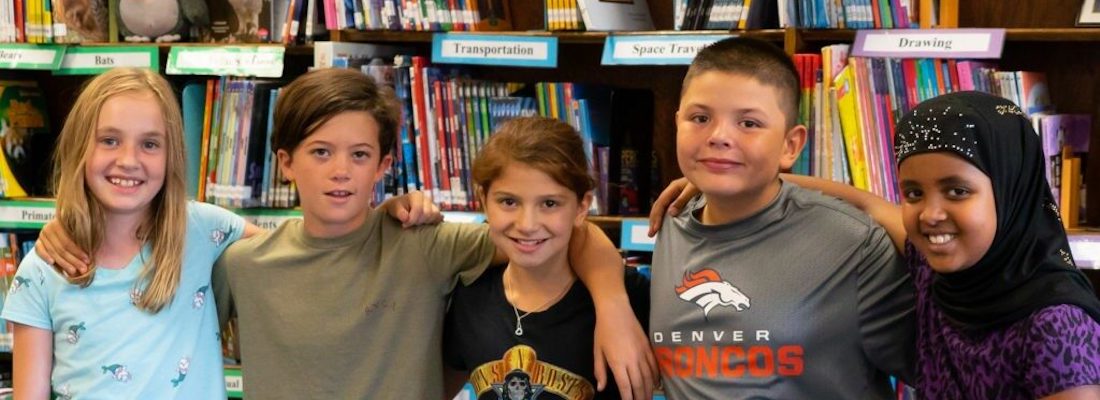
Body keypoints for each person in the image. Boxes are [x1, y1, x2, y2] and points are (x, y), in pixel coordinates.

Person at [193, 68, 649, 399]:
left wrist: (613, 308)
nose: (339, 172)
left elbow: (565, 234)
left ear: (384, 165)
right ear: (286, 163)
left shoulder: (425, 244)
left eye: (359, 154)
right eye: (320, 152)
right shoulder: (242, 266)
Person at [767, 91, 1100, 399]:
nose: (930, 214)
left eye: (957, 191)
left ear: (1010, 192)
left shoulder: (1056, 325)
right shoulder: (935, 269)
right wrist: (757, 181)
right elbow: (867, 204)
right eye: (913, 193)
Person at [643, 37, 915, 399]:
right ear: (677, 123)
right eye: (700, 118)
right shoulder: (670, 224)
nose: (719, 136)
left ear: (791, 145)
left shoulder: (854, 244)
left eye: (749, 123)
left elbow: (942, 368)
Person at [0, 67, 265, 398]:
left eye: (150, 144)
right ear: (78, 147)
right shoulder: (42, 271)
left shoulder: (201, 229)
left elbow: (290, 255)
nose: (129, 160)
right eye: (110, 140)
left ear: (173, 156)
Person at [442, 117, 650, 399]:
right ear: (483, 200)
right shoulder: (469, 298)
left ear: (582, 207)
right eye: (508, 201)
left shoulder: (632, 299)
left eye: (550, 204)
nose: (527, 224)